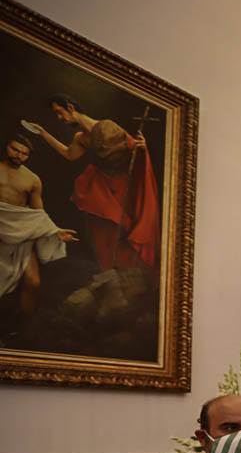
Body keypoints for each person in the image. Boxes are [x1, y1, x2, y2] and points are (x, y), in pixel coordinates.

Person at [30, 94, 160, 269]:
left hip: (121, 184)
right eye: (56, 115)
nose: (59, 118)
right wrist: (44, 134)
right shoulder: (80, 138)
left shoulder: (106, 126)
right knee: (103, 230)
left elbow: (131, 148)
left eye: (59, 112)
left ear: (70, 107)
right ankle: (109, 268)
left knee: (124, 227)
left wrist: (141, 147)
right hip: (102, 187)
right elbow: (69, 154)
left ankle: (127, 269)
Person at [0, 133, 77, 316]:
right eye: (14, 149)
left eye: (23, 153)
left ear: (28, 156)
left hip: (20, 233)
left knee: (33, 282)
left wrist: (56, 232)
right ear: (6, 147)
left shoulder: (33, 179)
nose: (18, 155)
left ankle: (27, 327)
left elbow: (38, 214)